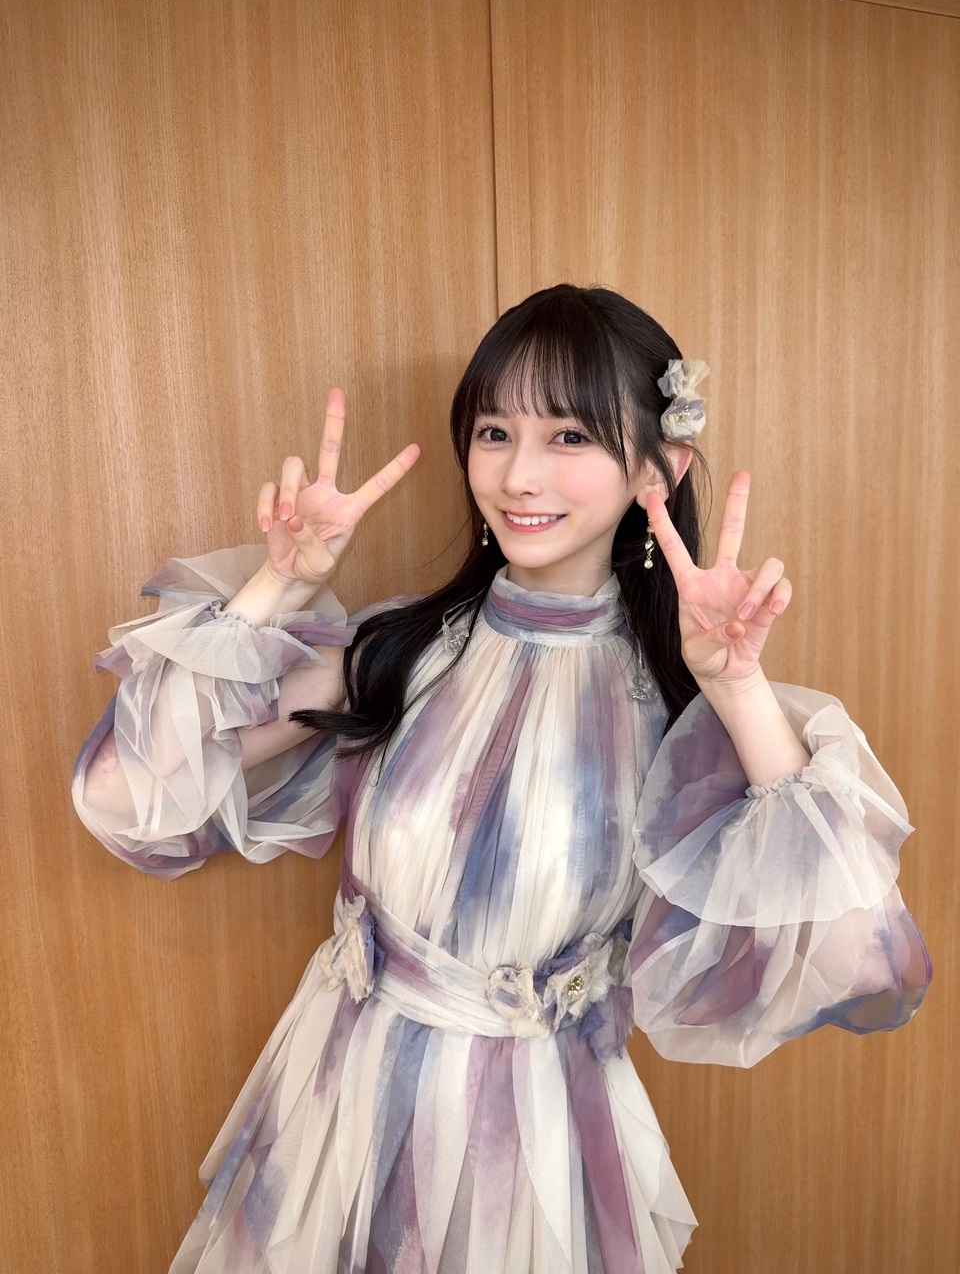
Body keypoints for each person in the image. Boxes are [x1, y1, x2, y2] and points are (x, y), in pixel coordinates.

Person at [72, 285, 931, 1273]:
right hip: (339, 1119)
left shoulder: (679, 716)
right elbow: (126, 794)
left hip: (528, 1152)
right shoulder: (397, 652)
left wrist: (736, 691)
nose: (519, 474)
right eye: (495, 432)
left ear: (659, 467)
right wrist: (284, 583)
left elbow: (861, 958)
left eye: (569, 436)